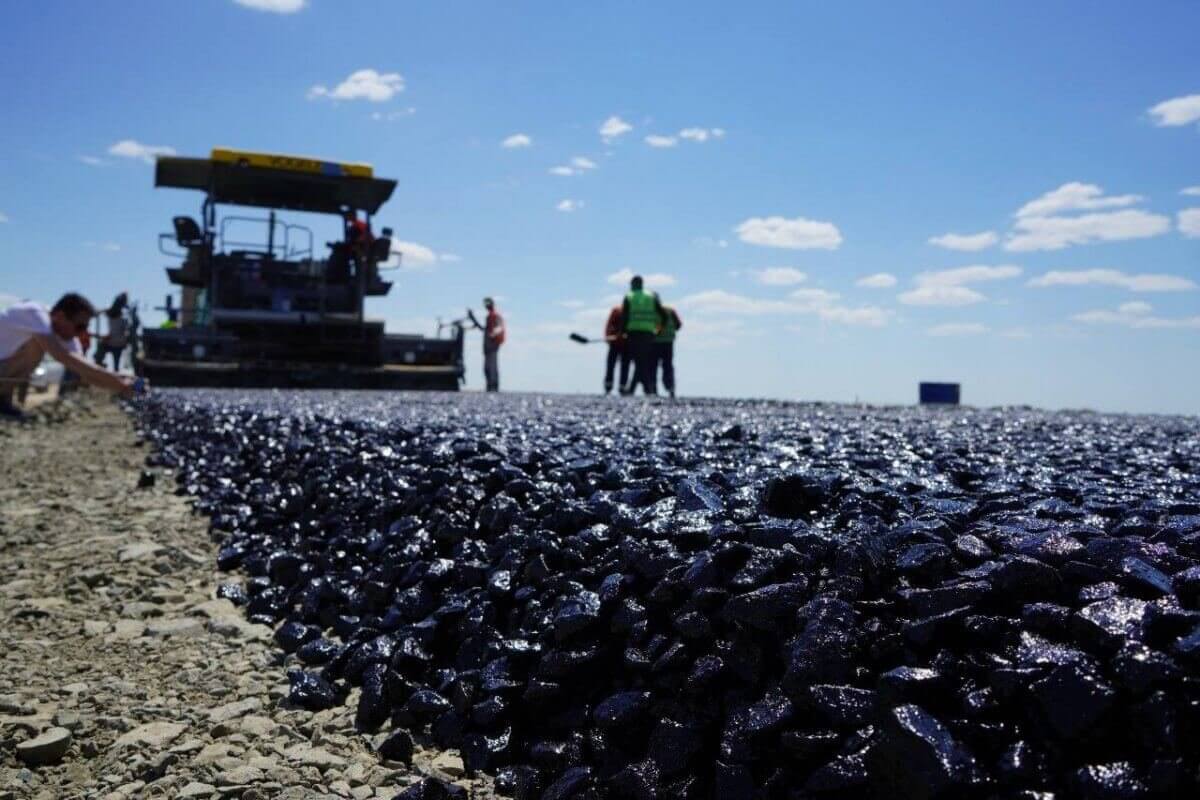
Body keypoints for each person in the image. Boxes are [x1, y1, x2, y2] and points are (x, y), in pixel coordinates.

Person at [0, 293, 143, 419]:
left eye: (86, 328)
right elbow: (62, 356)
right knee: (37, 345)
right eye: (80, 326)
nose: (82, 333)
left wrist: (120, 382)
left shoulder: (63, 335)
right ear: (61, 316)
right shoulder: (34, 313)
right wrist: (118, 382)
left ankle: (3, 399)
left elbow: (85, 372)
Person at [621, 275, 667, 396]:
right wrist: (659, 330)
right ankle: (644, 388)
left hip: (633, 333)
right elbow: (664, 315)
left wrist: (622, 332)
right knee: (642, 361)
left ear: (633, 284)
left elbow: (624, 317)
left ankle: (640, 388)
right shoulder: (651, 296)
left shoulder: (629, 296)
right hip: (648, 333)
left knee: (639, 361)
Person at [470, 297, 505, 392]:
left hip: (492, 346)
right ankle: (489, 386)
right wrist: (473, 319)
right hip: (488, 346)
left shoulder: (495, 316)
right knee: (487, 368)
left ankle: (493, 387)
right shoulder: (490, 317)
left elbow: (499, 327)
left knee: (491, 367)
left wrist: (493, 334)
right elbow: (484, 329)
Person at [653, 305, 683, 399]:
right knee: (668, 365)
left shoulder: (652, 311)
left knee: (653, 366)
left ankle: (654, 389)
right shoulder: (670, 310)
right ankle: (670, 387)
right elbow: (678, 325)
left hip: (655, 341)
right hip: (668, 341)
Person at [603, 304, 630, 395]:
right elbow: (609, 324)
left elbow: (609, 324)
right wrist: (608, 336)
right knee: (617, 364)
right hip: (617, 342)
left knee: (620, 365)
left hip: (623, 343)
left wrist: (607, 336)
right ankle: (612, 385)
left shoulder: (618, 310)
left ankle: (616, 386)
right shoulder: (618, 310)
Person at [94, 303, 129, 371]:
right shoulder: (116, 318)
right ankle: (99, 360)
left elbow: (126, 332)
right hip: (115, 343)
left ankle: (99, 360)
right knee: (102, 346)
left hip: (118, 344)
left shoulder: (122, 320)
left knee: (116, 363)